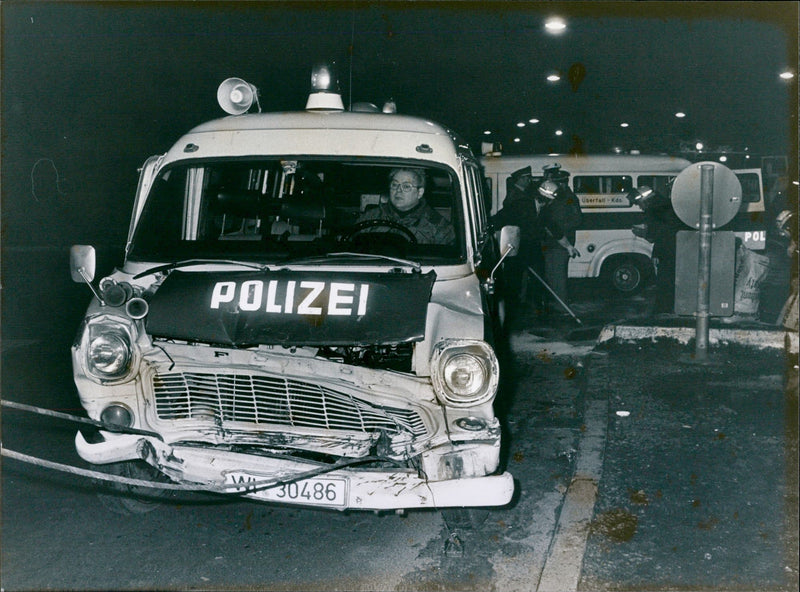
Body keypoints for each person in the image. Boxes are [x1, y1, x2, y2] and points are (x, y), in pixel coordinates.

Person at [489, 165, 545, 313]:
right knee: (516, 276)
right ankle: (520, 307)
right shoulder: (517, 197)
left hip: (520, 241)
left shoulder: (521, 194)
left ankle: (524, 304)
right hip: (521, 241)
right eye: (527, 178)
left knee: (518, 275)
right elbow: (513, 217)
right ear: (519, 179)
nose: (529, 180)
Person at [357, 168, 454, 244]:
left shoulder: (438, 227)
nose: (398, 190)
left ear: (419, 193)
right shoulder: (370, 218)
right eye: (395, 185)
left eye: (406, 186)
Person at [626, 185, 684, 314]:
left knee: (665, 280)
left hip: (668, 250)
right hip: (677, 247)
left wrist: (645, 235)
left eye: (639, 204)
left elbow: (661, 235)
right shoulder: (663, 205)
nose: (639, 207)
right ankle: (669, 307)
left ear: (644, 199)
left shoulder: (654, 210)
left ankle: (664, 308)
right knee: (672, 279)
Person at [536, 164, 582, 312]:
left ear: (562, 182)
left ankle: (562, 307)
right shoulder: (558, 197)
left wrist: (559, 232)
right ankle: (557, 304)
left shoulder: (568, 198)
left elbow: (576, 219)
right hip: (552, 242)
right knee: (551, 275)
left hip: (560, 243)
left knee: (558, 276)